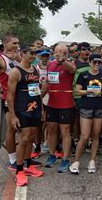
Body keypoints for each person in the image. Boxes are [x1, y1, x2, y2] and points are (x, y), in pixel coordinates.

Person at [6, 45, 44, 187]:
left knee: (32, 137)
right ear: (22, 53)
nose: (33, 56)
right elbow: (10, 94)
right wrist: (13, 115)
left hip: (35, 107)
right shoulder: (15, 72)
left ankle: (28, 165)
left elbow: (37, 90)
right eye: (31, 53)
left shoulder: (35, 70)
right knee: (24, 138)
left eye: (35, 53)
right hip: (22, 109)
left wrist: (41, 109)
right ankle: (19, 169)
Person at [70, 54, 102, 174]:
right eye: (94, 62)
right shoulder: (83, 75)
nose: (97, 64)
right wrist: (88, 91)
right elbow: (77, 90)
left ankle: (92, 161)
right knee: (85, 136)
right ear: (90, 62)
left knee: (96, 135)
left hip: (99, 108)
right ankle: (76, 161)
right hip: (86, 107)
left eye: (99, 62)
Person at [43, 44, 76, 173]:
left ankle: (65, 159)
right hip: (52, 103)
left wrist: (62, 61)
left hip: (66, 104)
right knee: (51, 130)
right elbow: (47, 82)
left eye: (62, 51)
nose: (59, 53)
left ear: (67, 53)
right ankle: (52, 155)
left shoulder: (70, 63)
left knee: (65, 131)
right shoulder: (50, 64)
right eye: (57, 51)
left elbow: (72, 69)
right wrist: (39, 97)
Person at [0, 34, 20, 169]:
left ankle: (22, 157)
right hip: (8, 99)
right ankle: (12, 160)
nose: (16, 45)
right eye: (14, 43)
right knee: (11, 129)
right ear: (5, 44)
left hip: (22, 98)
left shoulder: (18, 57)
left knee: (22, 128)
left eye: (17, 43)